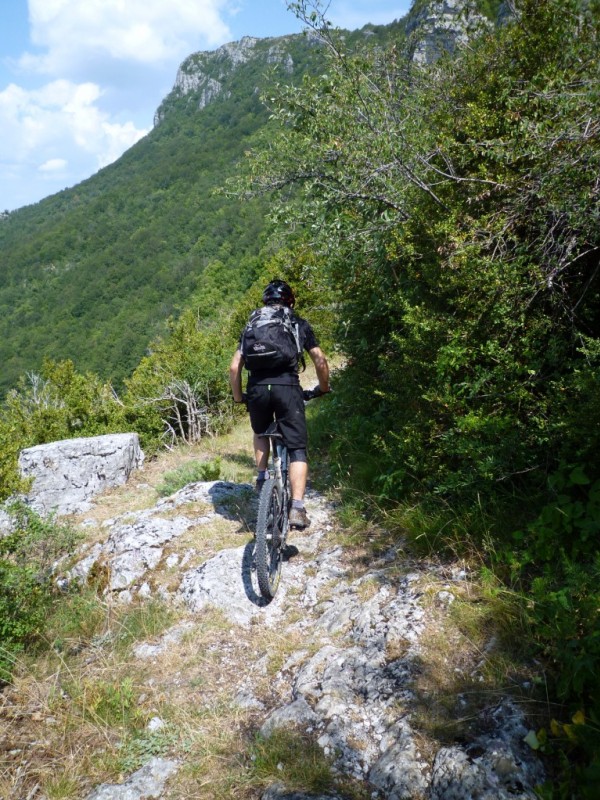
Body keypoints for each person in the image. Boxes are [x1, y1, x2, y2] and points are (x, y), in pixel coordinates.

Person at [229, 279, 330, 529]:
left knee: (261, 431)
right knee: (297, 448)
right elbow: (319, 359)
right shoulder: (296, 322)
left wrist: (239, 397)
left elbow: (234, 367)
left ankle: (262, 478)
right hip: (287, 388)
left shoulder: (252, 324)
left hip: (257, 389)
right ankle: (297, 507)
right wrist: (324, 388)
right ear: (290, 301)